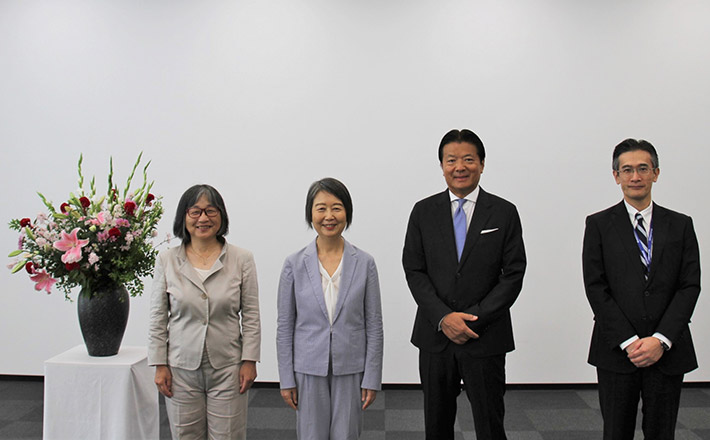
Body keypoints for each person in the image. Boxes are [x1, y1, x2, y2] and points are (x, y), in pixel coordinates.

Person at [402, 129, 526, 440]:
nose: (460, 167)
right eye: (451, 160)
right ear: (442, 165)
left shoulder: (503, 212)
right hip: (436, 337)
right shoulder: (423, 211)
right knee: (437, 424)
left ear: (482, 164)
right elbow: (414, 270)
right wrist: (444, 318)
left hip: (485, 336)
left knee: (490, 423)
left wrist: (473, 320)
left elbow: (512, 274)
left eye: (469, 159)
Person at [582, 139, 701, 440]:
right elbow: (596, 287)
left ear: (656, 173)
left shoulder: (681, 225)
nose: (635, 177)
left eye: (643, 169)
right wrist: (630, 340)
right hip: (617, 349)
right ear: (616, 176)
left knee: (662, 432)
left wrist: (660, 340)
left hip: (667, 350)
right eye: (627, 170)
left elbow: (689, 286)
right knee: (616, 432)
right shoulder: (598, 225)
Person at [148, 184, 261, 440]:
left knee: (228, 435)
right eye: (195, 211)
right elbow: (157, 317)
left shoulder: (242, 259)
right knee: (186, 435)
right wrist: (159, 364)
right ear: (183, 217)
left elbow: (251, 314)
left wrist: (249, 360)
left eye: (211, 211)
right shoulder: (167, 260)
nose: (203, 218)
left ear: (221, 216)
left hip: (228, 366)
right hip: (180, 367)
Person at [277, 177, 384, 439]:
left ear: (347, 212)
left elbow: (375, 325)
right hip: (307, 366)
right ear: (310, 213)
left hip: (350, 365)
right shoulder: (293, 264)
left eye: (336, 207)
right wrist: (286, 378)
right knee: (311, 435)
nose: (329, 216)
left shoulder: (365, 262)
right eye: (321, 208)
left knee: (346, 434)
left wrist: (372, 377)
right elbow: (285, 326)